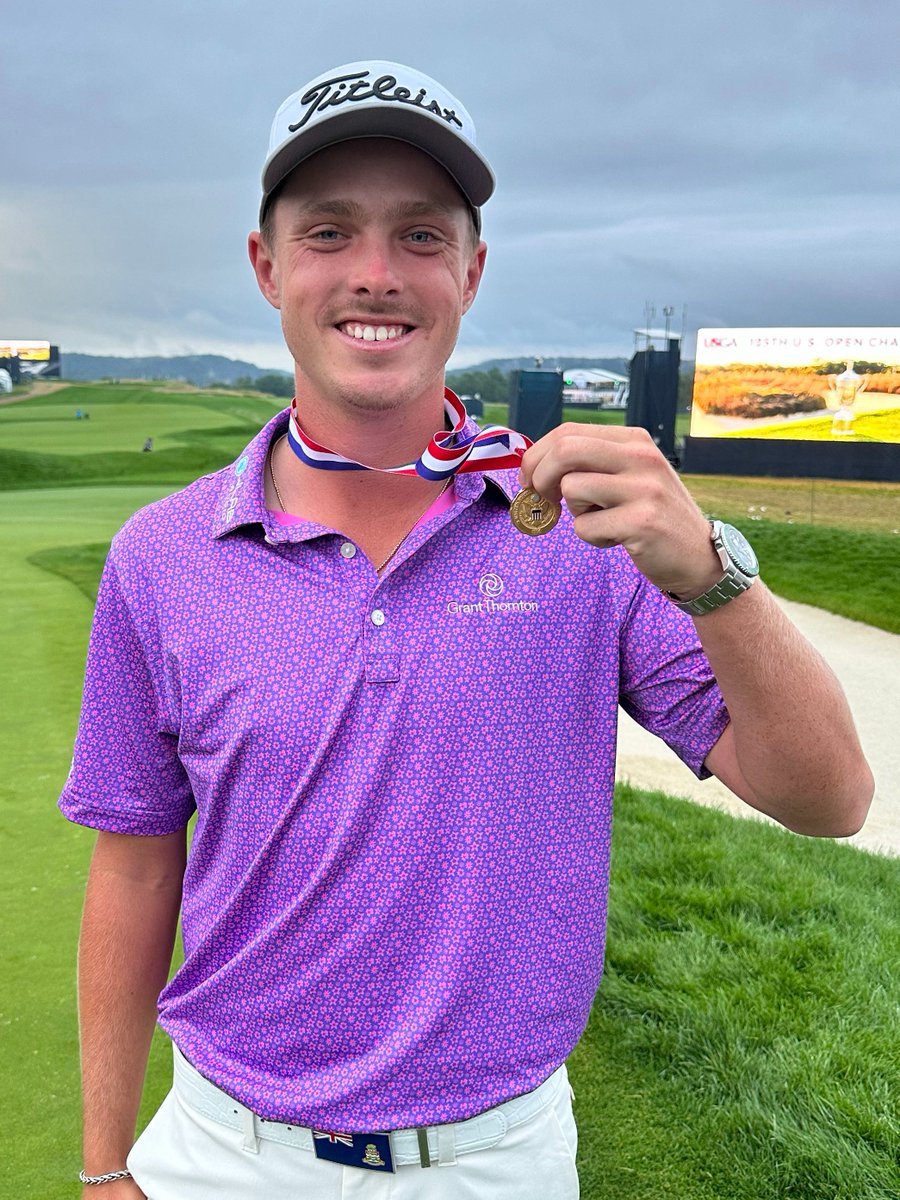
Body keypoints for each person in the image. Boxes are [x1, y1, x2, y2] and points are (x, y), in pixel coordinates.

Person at [61, 61, 873, 1200]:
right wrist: (105, 1164)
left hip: (499, 1162)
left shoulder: (587, 533)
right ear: (269, 266)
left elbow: (828, 800)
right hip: (221, 1154)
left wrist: (711, 576)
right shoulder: (162, 555)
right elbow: (137, 866)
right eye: (331, 232)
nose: (377, 275)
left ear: (474, 270)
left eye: (423, 236)